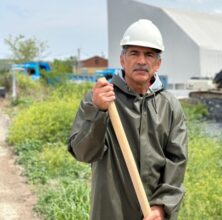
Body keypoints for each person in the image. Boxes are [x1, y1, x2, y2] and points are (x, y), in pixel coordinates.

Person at [68, 19, 188, 220]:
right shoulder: (101, 99)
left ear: (158, 63)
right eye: (134, 53)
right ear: (122, 60)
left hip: (153, 215)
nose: (141, 61)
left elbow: (177, 161)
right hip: (110, 212)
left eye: (149, 54)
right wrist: (98, 111)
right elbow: (83, 153)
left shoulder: (169, 105)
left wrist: (162, 206)